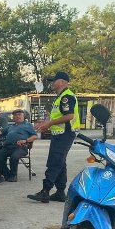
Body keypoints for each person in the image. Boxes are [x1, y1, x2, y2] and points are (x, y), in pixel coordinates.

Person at [28, 71, 79, 203]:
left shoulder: (66, 97)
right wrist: (46, 124)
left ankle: (45, 191)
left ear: (62, 82)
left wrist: (49, 123)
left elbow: (69, 116)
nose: (52, 83)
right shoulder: (60, 97)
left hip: (65, 134)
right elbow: (59, 117)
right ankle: (60, 192)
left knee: (54, 162)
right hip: (60, 134)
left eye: (54, 80)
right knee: (60, 163)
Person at [0, 109, 37, 182]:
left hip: (21, 147)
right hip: (8, 147)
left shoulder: (28, 125)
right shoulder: (10, 126)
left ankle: (13, 176)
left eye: (19, 115)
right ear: (13, 117)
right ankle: (7, 175)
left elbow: (34, 136)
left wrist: (25, 140)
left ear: (24, 116)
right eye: (15, 115)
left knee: (14, 157)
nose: (17, 116)